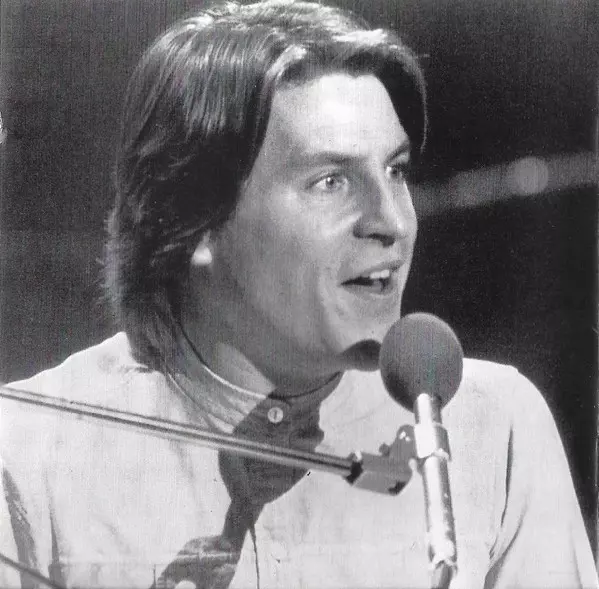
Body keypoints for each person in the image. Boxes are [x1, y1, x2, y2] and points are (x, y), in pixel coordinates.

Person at [0, 1, 596, 588]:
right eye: (330, 181)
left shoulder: (492, 428)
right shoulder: (30, 453)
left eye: (395, 171)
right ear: (196, 224)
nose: (392, 221)